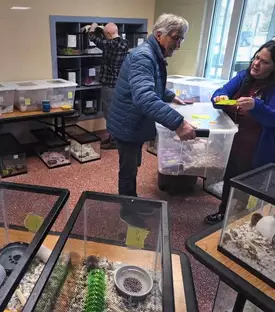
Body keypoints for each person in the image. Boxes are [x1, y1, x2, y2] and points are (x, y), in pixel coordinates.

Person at [204, 39, 275, 224]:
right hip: (237, 144)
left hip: (264, 151)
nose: (256, 64)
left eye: (265, 62)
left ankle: (251, 224)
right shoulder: (245, 76)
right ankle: (225, 214)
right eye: (256, 58)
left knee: (258, 193)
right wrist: (220, 97)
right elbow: (220, 93)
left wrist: (255, 106)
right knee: (232, 183)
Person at [108, 14, 196, 204]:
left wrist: (171, 96)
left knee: (132, 165)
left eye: (181, 39)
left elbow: (152, 84)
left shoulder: (152, 54)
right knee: (128, 169)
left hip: (133, 121)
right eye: (175, 38)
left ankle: (130, 201)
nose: (178, 45)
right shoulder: (143, 57)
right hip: (127, 123)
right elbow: (144, 97)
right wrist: (178, 123)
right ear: (159, 34)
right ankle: (128, 207)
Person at [83, 22, 129, 150]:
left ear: (108, 34)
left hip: (109, 86)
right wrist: (105, 31)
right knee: (118, 113)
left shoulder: (109, 45)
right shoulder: (125, 44)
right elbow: (111, 39)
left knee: (109, 114)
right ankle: (115, 138)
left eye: (105, 34)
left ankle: (114, 141)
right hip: (120, 85)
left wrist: (93, 27)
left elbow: (92, 37)